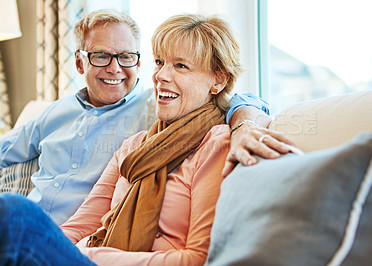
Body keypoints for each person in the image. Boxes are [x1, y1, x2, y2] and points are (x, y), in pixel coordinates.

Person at [2, 13, 262, 265]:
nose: (160, 75)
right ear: (80, 63)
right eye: (159, 62)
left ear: (218, 80)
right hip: (74, 252)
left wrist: (246, 121)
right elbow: (82, 224)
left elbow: (199, 258)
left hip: (92, 258)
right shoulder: (133, 145)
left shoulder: (217, 142)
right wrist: (49, 251)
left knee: (16, 213)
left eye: (180, 65)